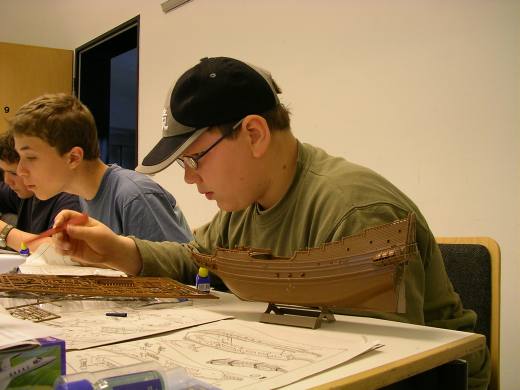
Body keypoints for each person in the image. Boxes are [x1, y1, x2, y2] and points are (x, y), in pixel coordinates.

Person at [46, 57, 489, 388]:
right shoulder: (243, 206)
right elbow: (197, 257)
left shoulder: (355, 213)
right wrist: (120, 250)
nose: (191, 178)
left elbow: (379, 365)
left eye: (194, 159)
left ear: (254, 134)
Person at [8, 93, 193, 244]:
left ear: (73, 158)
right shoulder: (85, 198)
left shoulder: (133, 196)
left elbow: (184, 276)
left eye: (30, 157)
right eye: (20, 158)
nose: (21, 170)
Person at [0, 131, 81, 251]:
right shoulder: (27, 192)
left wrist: (4, 232)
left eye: (14, 173)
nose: (7, 181)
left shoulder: (69, 199)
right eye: (3, 171)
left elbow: (61, 251)